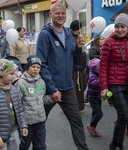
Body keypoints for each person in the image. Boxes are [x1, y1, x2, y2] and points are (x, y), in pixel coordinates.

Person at [36, 2, 89, 150]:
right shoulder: (45, 35)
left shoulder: (67, 33)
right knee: (38, 121)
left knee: (76, 121)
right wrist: (52, 89)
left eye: (63, 13)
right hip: (50, 89)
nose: (60, 15)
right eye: (57, 13)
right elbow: (42, 64)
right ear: (50, 15)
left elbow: (73, 60)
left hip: (68, 87)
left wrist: (78, 49)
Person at [100, 13, 128, 150]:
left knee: (124, 116)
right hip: (115, 83)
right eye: (117, 27)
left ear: (127, 27)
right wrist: (104, 87)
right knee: (124, 115)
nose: (120, 30)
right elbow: (103, 66)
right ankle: (114, 145)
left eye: (122, 27)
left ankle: (118, 144)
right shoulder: (109, 42)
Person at [17, 55, 47, 150]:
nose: (36, 69)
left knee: (41, 147)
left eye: (38, 67)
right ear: (28, 67)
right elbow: (18, 104)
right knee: (24, 147)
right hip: (27, 123)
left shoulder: (41, 82)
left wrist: (52, 99)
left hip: (40, 122)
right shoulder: (21, 83)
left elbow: (42, 99)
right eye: (33, 66)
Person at [0, 59, 28, 150]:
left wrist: (23, 125)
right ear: (1, 75)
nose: (14, 76)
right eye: (11, 74)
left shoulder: (14, 89)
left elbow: (20, 109)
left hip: (14, 129)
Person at [70, 20, 87, 111]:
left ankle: (78, 106)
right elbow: (74, 53)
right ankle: (75, 107)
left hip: (81, 66)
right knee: (77, 88)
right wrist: (78, 47)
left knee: (82, 87)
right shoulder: (71, 38)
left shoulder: (78, 37)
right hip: (75, 67)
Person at [86, 58, 103, 137]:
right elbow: (94, 84)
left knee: (95, 113)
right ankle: (91, 126)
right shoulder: (92, 75)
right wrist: (101, 79)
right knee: (99, 114)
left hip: (98, 96)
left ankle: (93, 128)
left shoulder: (97, 74)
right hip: (93, 97)